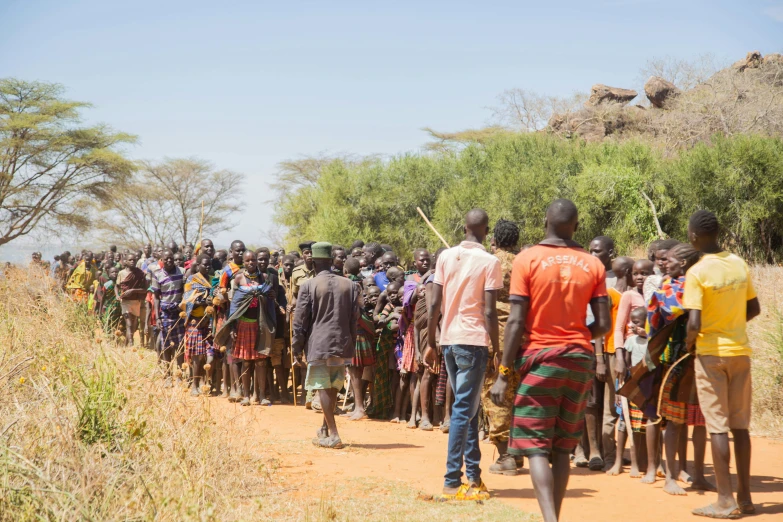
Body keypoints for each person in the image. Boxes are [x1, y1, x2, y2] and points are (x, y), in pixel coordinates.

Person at [490, 199, 610, 522]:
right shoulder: (593, 265)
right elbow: (603, 325)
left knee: (535, 446)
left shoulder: (527, 260)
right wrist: (573, 333)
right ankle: (553, 516)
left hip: (540, 360)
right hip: (580, 361)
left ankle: (550, 520)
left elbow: (515, 321)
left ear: (545, 221)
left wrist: (503, 372)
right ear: (578, 226)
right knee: (562, 448)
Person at [684, 210, 760, 519]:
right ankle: (745, 497)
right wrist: (731, 325)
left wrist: (690, 344)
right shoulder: (739, 264)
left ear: (693, 237)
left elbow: (693, 322)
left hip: (711, 356)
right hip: (740, 352)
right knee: (740, 427)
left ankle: (725, 500)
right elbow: (753, 308)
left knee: (717, 428)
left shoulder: (697, 272)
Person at [423, 208, 502, 501]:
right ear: (486, 230)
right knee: (463, 411)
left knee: (467, 411)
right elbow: (490, 311)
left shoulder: (446, 256)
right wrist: (496, 348)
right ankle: (451, 481)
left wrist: (431, 340)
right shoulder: (490, 261)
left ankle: (474, 477)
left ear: (464, 227)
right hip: (474, 342)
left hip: (449, 341)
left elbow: (433, 306)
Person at [643, 243, 715, 496]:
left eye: (669, 261)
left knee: (683, 420)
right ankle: (681, 476)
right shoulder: (704, 284)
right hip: (701, 357)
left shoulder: (671, 287)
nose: (665, 264)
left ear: (682, 263)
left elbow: (658, 319)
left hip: (679, 359)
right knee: (694, 421)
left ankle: (681, 477)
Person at [292, 242, 360, 449]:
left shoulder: (309, 285)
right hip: (342, 342)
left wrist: (296, 347)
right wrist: (351, 342)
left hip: (319, 344)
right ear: (331, 261)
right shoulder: (350, 285)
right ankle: (324, 429)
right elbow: (354, 319)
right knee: (332, 385)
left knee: (322, 385)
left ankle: (334, 434)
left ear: (312, 261)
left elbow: (300, 321)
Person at [481, 219, 524, 476]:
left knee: (494, 396)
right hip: (522, 338)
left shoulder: (491, 263)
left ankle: (507, 456)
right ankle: (516, 454)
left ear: (494, 238)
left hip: (495, 340)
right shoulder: (523, 264)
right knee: (517, 395)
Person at [218, 250, 275, 406]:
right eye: (248, 261)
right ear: (243, 262)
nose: (251, 263)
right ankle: (246, 395)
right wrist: (232, 328)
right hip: (243, 324)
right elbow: (235, 306)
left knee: (261, 361)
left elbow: (270, 299)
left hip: (260, 323)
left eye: (253, 260)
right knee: (246, 362)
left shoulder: (264, 278)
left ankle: (262, 395)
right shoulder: (238, 279)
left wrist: (270, 296)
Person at [601, 255, 634, 471]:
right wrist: (600, 359)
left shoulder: (634, 295)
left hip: (632, 354)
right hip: (613, 354)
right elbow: (600, 329)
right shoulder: (611, 295)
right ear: (629, 272)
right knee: (611, 407)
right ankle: (610, 457)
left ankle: (626, 454)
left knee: (627, 406)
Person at [182, 253, 215, 396]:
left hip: (209, 323)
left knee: (210, 356)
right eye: (204, 264)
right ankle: (194, 385)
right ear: (198, 265)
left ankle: (205, 381)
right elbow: (187, 301)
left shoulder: (214, 280)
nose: (207, 267)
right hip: (195, 322)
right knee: (196, 356)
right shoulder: (192, 279)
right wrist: (203, 302)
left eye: (209, 264)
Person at [346, 283, 379, 421]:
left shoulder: (358, 309)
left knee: (355, 374)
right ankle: (357, 407)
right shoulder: (355, 307)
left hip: (358, 341)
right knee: (354, 374)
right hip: (355, 341)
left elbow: (369, 326)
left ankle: (359, 408)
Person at [152, 249, 186, 383]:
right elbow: (156, 298)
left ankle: (179, 375)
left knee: (180, 344)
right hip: (165, 313)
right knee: (166, 345)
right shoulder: (157, 275)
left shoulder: (182, 272)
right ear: (162, 260)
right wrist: (158, 317)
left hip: (179, 312)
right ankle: (167, 375)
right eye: (166, 259)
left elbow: (186, 291)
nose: (169, 260)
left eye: (171, 258)